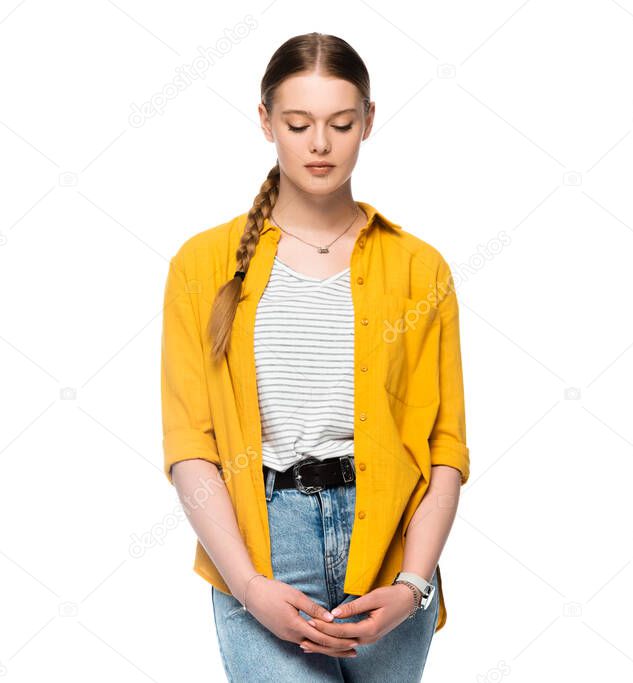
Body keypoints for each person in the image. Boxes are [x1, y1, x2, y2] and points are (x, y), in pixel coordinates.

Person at [160, 32, 470, 681]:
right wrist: (247, 585)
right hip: (260, 550)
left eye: (340, 123)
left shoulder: (420, 268)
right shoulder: (201, 265)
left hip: (391, 550)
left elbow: (446, 448)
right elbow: (192, 446)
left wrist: (412, 583)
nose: (320, 144)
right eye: (299, 124)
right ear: (267, 121)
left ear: (368, 122)